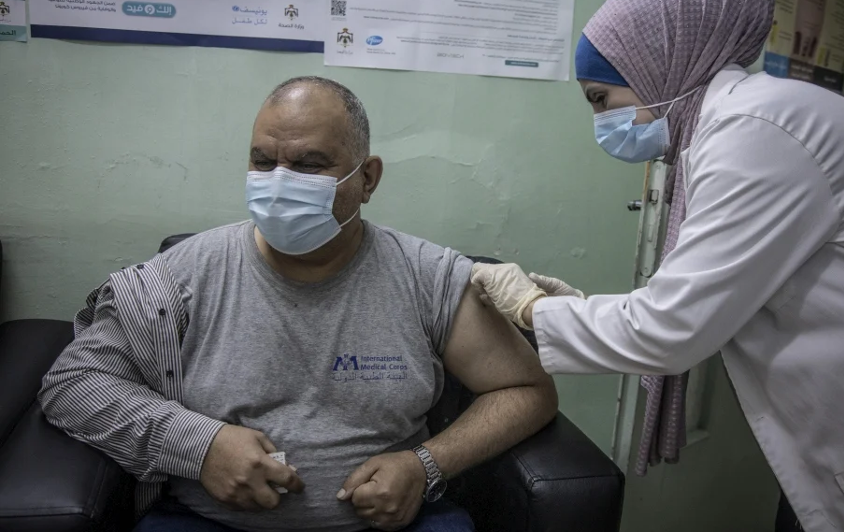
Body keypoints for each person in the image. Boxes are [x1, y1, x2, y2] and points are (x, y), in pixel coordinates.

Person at [470, 0, 844, 532]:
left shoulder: (757, 132)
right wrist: (572, 309)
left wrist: (531, 309)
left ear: (659, 68)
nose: (603, 123)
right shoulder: (737, 127)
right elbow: (701, 299)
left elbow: (672, 329)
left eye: (602, 99)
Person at [39, 76, 558, 532]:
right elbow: (72, 383)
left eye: (309, 165)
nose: (280, 182)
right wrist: (197, 446)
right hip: (204, 520)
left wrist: (426, 464)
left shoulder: (427, 277)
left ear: (368, 178)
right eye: (263, 162)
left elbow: (526, 390)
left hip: (393, 525)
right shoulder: (183, 277)